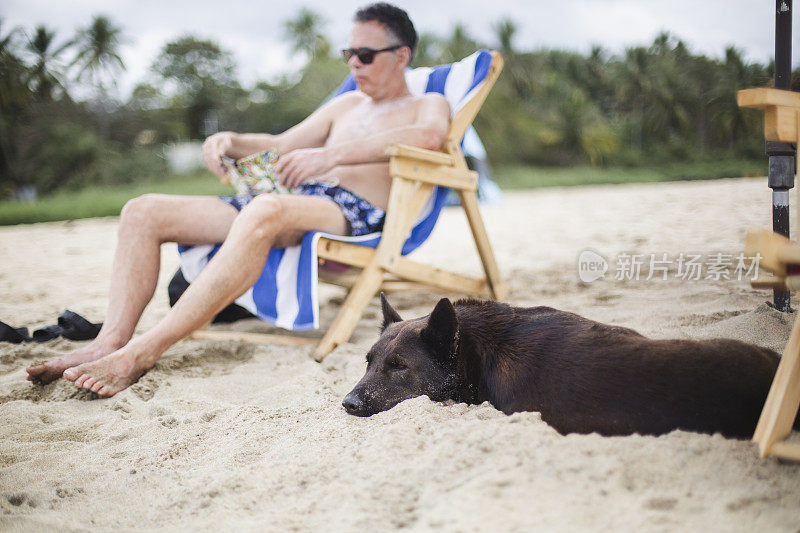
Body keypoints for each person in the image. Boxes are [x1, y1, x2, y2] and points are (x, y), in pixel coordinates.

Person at [25, 2, 450, 397]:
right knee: (143, 210)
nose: (354, 63)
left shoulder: (427, 102)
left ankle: (142, 352)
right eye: (349, 53)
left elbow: (431, 138)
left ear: (401, 55)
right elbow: (280, 143)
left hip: (353, 212)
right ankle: (110, 341)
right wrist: (230, 140)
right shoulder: (346, 106)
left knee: (266, 207)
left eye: (366, 54)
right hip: (295, 200)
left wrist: (330, 155)